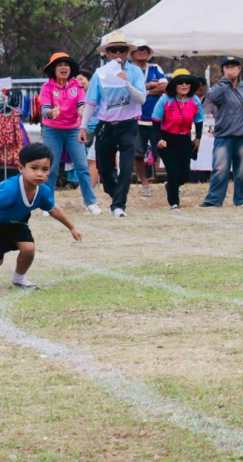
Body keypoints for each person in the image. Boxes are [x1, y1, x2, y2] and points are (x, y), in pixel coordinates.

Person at [80, 31, 147, 217]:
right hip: (106, 125)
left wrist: (127, 84)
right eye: (113, 50)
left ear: (127, 52)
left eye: (122, 49)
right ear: (107, 53)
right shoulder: (100, 74)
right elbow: (91, 102)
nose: (118, 53)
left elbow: (142, 99)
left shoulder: (135, 71)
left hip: (129, 124)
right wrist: (83, 127)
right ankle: (114, 192)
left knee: (126, 165)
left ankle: (118, 206)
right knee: (104, 167)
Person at [0, 144, 83, 289]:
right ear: (21, 168)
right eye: (34, 168)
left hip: (18, 223)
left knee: (28, 249)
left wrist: (72, 227)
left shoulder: (43, 192)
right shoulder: (9, 190)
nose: (40, 174)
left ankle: (19, 278)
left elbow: (53, 209)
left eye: (45, 169)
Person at [39, 53, 102, 215]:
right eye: (60, 65)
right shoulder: (46, 87)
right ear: (53, 69)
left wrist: (82, 110)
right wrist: (50, 113)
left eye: (66, 65)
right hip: (52, 130)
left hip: (74, 130)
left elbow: (81, 103)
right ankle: (48, 204)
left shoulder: (77, 85)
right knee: (51, 168)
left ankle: (91, 203)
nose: (63, 68)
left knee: (82, 166)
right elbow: (45, 108)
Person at [200, 56, 243, 208]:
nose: (231, 70)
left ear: (240, 69)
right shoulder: (219, 87)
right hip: (223, 134)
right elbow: (212, 97)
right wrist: (225, 81)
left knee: (241, 170)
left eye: (234, 67)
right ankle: (214, 200)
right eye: (227, 67)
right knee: (220, 168)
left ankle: (240, 200)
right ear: (222, 70)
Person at [150, 70, 205, 210]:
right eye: (180, 82)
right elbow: (155, 122)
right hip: (166, 139)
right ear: (174, 85)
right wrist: (159, 139)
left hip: (184, 139)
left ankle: (170, 186)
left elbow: (199, 120)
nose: (184, 85)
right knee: (173, 171)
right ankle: (174, 203)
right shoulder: (165, 100)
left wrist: (198, 138)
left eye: (187, 82)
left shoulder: (195, 100)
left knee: (184, 174)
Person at [130, 40, 167, 198]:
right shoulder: (129, 69)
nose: (141, 52)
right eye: (138, 49)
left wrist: (143, 91)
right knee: (138, 153)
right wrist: (150, 85)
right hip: (136, 118)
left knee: (162, 150)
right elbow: (128, 88)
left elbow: (165, 86)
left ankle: (165, 180)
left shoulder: (155, 68)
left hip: (155, 118)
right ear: (132, 53)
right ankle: (144, 183)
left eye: (144, 49)